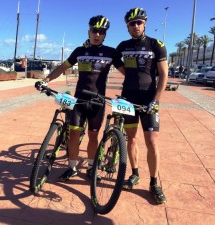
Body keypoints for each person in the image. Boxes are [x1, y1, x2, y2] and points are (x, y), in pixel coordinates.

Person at [37, 15, 124, 182]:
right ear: (89, 31)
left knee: (93, 136)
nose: (97, 34)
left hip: (97, 102)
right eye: (94, 31)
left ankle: (91, 168)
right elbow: (62, 67)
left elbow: (127, 73)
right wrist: (46, 80)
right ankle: (72, 168)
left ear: (105, 34)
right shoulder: (79, 51)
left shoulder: (111, 53)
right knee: (73, 135)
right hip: (79, 101)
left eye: (101, 32)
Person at [116, 8, 168, 204]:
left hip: (149, 100)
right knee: (131, 139)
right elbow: (111, 58)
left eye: (139, 22)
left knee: (152, 142)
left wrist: (156, 100)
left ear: (144, 23)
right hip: (127, 99)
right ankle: (135, 173)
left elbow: (163, 75)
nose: (136, 25)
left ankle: (154, 183)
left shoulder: (156, 44)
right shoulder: (123, 45)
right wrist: (127, 74)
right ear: (127, 26)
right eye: (132, 23)